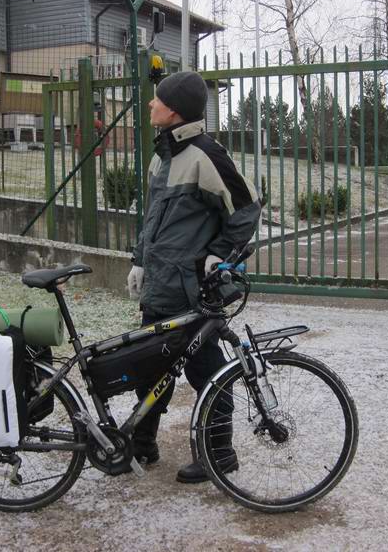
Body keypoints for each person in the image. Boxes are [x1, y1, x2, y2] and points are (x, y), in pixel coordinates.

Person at [126, 71, 261, 483]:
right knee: (151, 369)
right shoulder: (162, 155)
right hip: (159, 285)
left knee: (206, 372)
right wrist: (139, 260)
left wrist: (220, 254)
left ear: (176, 110)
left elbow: (246, 208)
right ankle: (142, 444)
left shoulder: (206, 154)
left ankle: (219, 454)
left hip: (191, 290)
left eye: (157, 100)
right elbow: (153, 221)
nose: (150, 105)